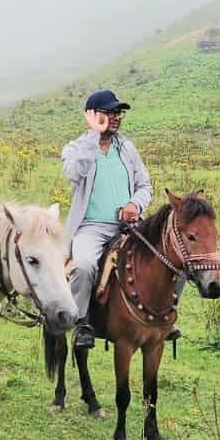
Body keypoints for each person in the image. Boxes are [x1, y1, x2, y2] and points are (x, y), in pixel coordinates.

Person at [61, 87, 153, 348]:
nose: (115, 117)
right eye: (108, 113)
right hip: (91, 227)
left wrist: (135, 204)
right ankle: (81, 324)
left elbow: (144, 184)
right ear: (90, 116)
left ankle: (162, 319)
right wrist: (94, 135)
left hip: (129, 225)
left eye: (117, 113)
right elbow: (75, 172)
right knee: (84, 265)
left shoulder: (127, 148)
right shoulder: (75, 148)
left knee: (170, 255)